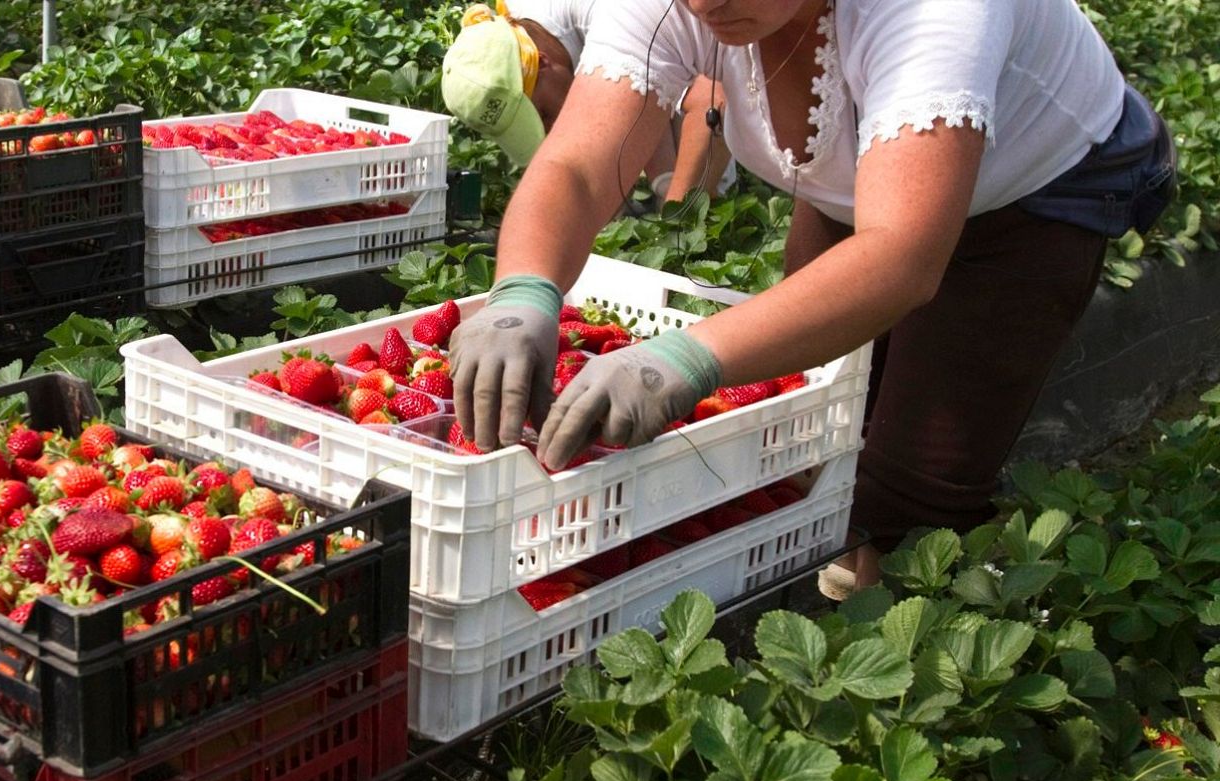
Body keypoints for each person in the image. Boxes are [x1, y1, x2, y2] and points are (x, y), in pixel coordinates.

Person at [448, 0, 1176, 592]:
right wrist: (523, 289)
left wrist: (683, 356)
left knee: (914, 479)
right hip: (860, 179)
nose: (709, 3)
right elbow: (577, 165)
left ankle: (906, 643)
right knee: (823, 414)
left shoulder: (934, 12)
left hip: (1032, 197)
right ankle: (819, 582)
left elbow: (900, 256)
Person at [441, 0, 736, 204]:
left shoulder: (616, 18)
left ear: (542, 63)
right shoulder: (513, 28)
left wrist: (682, 215)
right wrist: (662, 181)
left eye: (543, 113)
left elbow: (713, 102)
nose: (548, 128)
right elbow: (642, 91)